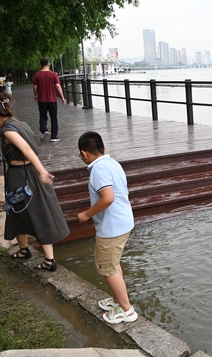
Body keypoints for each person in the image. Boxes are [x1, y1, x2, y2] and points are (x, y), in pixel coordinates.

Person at [0, 86, 70, 271]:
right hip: (30, 173)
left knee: (18, 211)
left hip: (20, 175)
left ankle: (29, 251)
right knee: (36, 212)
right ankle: (43, 257)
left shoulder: (7, 131)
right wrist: (39, 171)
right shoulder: (22, 124)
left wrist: (42, 171)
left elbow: (26, 149)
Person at [77, 131, 138, 324]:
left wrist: (87, 214)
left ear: (84, 153)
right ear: (103, 148)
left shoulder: (98, 170)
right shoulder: (113, 163)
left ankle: (127, 310)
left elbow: (108, 198)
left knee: (107, 269)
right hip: (123, 221)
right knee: (113, 263)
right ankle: (117, 300)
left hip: (111, 227)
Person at [33, 58, 66, 142]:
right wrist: (62, 97)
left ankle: (44, 130)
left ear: (40, 65)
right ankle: (54, 136)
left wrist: (35, 95)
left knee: (43, 116)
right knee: (54, 117)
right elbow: (58, 86)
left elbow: (35, 87)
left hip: (42, 100)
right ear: (49, 64)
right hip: (52, 100)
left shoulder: (37, 75)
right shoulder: (54, 74)